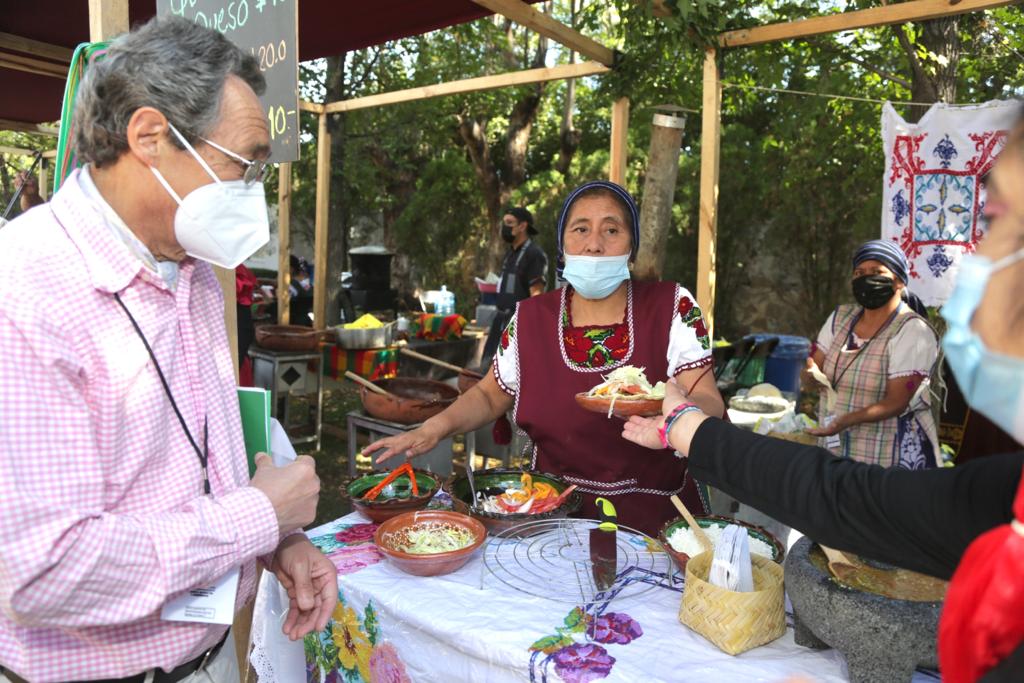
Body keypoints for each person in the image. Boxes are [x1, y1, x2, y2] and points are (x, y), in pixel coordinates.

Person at [622, 111, 1024, 682]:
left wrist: (695, 431)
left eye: (999, 221)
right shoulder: (1005, 500)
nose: (978, 259)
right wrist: (687, 431)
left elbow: (865, 473)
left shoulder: (912, 334)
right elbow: (844, 500)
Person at [0, 17, 333, 683]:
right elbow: (41, 568)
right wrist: (259, 516)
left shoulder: (188, 270)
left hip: (205, 660)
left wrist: (281, 541)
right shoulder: (26, 292)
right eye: (244, 163)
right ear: (150, 136)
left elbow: (206, 458)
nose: (252, 191)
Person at [367, 180, 725, 535]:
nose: (594, 245)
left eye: (611, 230)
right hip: (549, 515)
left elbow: (707, 398)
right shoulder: (530, 318)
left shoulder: (671, 307)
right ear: (562, 246)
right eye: (580, 229)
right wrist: (433, 429)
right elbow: (490, 394)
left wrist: (677, 421)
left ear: (632, 248)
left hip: (660, 520)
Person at [805, 239, 940, 469]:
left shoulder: (913, 331)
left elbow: (897, 402)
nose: (866, 278)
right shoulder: (840, 319)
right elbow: (816, 364)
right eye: (859, 272)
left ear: (898, 280)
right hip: (836, 449)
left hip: (890, 455)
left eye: (877, 271)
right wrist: (809, 373)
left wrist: (847, 420)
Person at [481, 207, 548, 367]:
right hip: (500, 320)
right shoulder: (510, 253)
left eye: (509, 223)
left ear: (522, 226)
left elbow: (537, 298)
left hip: (517, 325)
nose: (505, 227)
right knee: (486, 368)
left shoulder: (534, 255)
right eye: (504, 223)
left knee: (509, 373)